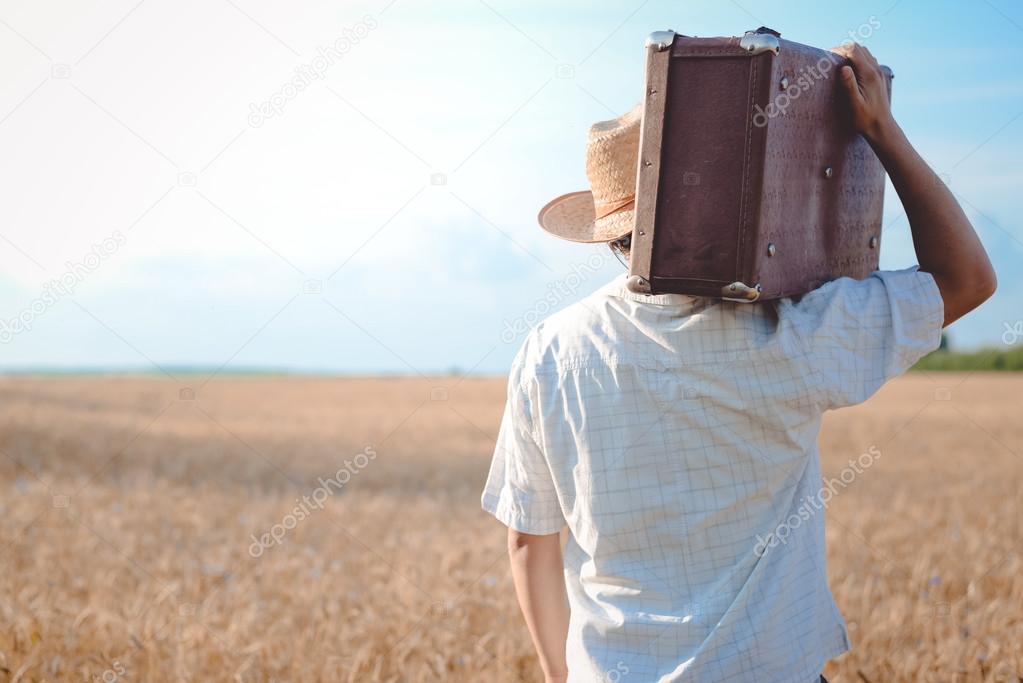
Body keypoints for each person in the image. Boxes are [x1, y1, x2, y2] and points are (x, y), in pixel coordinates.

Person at [480, 42, 996, 683]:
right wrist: (883, 132)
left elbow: (528, 542)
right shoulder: (793, 333)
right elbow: (967, 278)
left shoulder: (547, 351)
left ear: (614, 230)